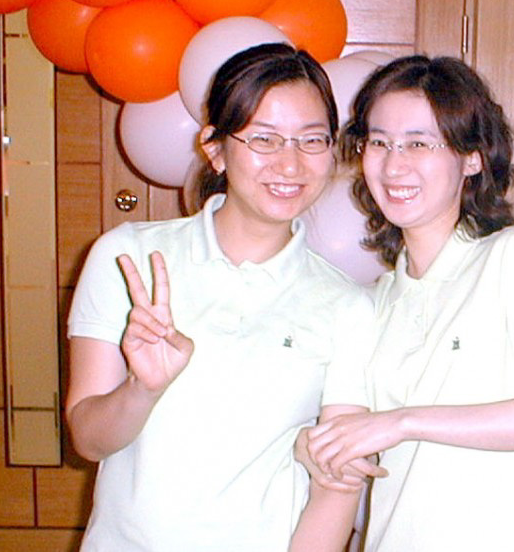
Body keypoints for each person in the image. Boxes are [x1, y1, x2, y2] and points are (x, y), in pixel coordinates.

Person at [65, 42, 374, 551]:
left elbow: (337, 485)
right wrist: (142, 389)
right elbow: (89, 439)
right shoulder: (129, 258)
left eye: (312, 140)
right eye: (264, 138)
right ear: (214, 148)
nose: (291, 164)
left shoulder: (347, 306)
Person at [294, 55, 514, 551]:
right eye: (379, 142)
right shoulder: (377, 301)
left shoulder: (513, 255)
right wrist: (313, 446)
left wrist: (403, 421)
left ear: (472, 158)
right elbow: (354, 445)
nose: (394, 164)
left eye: (419, 143)